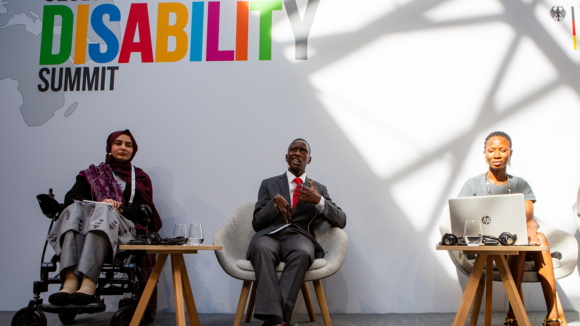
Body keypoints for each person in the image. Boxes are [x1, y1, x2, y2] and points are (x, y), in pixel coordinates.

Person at [47, 130, 162, 305]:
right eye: (118, 143)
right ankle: (70, 281)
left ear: (133, 150)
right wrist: (100, 203)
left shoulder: (139, 178)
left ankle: (89, 282)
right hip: (87, 227)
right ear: (109, 148)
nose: (123, 147)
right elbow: (70, 198)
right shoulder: (92, 174)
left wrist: (119, 208)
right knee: (75, 209)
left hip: (123, 231)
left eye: (128, 145)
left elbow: (144, 211)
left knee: (105, 211)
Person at [458, 131, 560, 326]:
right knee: (520, 244)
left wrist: (530, 229)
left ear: (510, 153)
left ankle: (549, 313)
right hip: (488, 246)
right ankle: (515, 312)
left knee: (537, 238)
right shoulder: (473, 184)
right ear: (485, 153)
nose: (497, 155)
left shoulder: (520, 184)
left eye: (503, 150)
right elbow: (461, 215)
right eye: (492, 150)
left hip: (518, 243)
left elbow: (529, 218)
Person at [247, 138, 347, 326]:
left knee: (302, 253)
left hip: (299, 237)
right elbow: (256, 223)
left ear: (309, 159)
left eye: (303, 150)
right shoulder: (268, 184)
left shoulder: (318, 188)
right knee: (260, 249)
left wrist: (319, 201)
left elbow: (341, 220)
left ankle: (274, 321)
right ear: (287, 156)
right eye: (293, 149)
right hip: (269, 235)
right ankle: (279, 321)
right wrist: (273, 204)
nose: (297, 153)